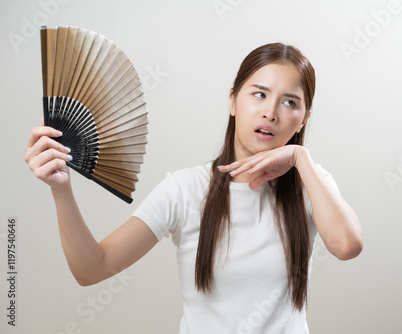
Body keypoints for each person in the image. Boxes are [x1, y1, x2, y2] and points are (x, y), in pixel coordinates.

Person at [25, 43, 363, 333]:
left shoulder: (312, 184)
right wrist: (60, 189)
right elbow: (92, 268)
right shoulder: (184, 189)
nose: (270, 112)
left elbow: (347, 246)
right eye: (259, 94)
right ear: (233, 102)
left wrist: (300, 158)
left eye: (290, 102)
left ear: (303, 117)